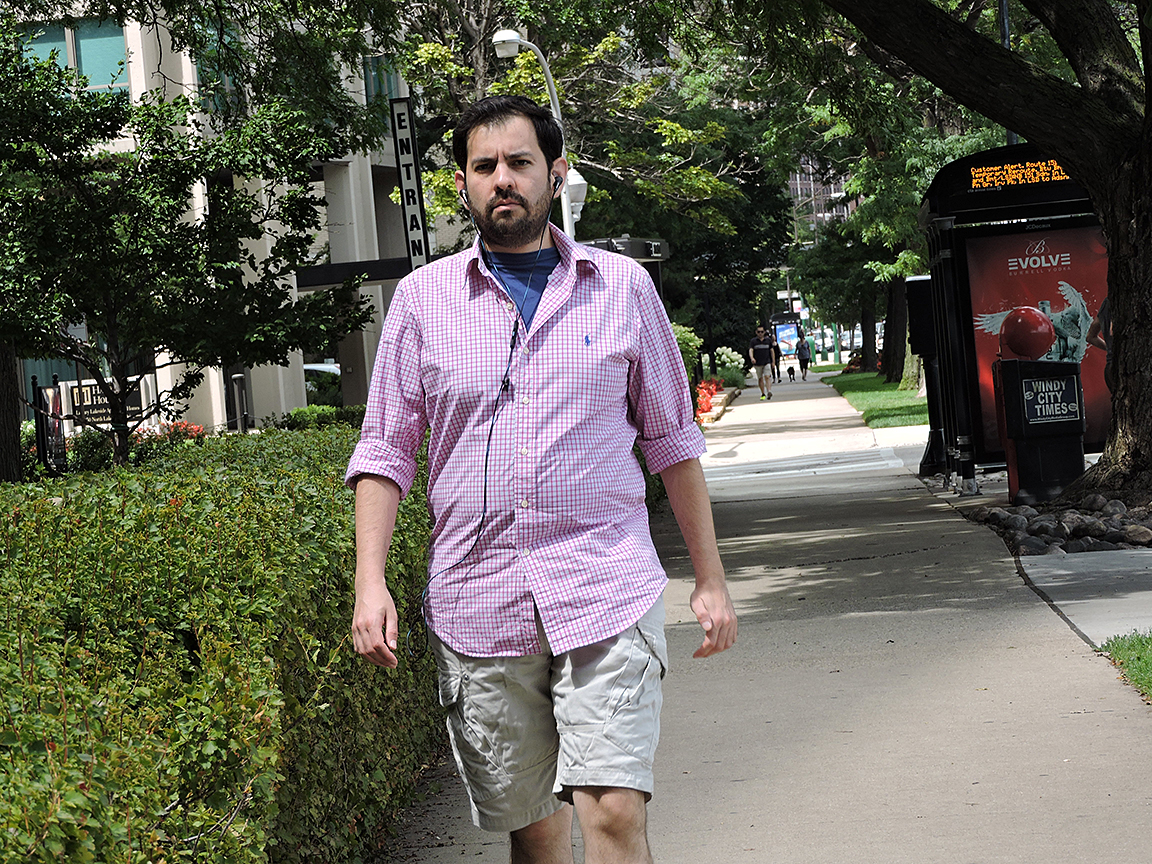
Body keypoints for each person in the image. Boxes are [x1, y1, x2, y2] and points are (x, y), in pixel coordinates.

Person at [347, 95, 737, 864]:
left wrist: (710, 579)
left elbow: (672, 441)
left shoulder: (622, 288)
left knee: (613, 810)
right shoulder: (422, 303)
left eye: (520, 162)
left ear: (555, 174)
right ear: (462, 183)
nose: (503, 179)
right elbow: (385, 452)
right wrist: (370, 584)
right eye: (485, 165)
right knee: (536, 834)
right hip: (479, 601)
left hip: (605, 586)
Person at [1086, 296, 1114, 392]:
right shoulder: (1127, 302)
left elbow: (1090, 337)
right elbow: (1112, 331)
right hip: (1124, 367)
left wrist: (1110, 348)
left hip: (1110, 368)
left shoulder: (1106, 303)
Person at [748, 325, 775, 400]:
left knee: (767, 376)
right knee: (760, 378)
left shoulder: (768, 340)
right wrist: (752, 358)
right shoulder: (753, 341)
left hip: (767, 361)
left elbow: (772, 351)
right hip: (758, 363)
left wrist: (773, 362)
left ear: (764, 332)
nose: (760, 333)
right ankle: (763, 393)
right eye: (758, 332)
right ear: (756, 332)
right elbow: (751, 350)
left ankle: (769, 391)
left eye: (762, 332)